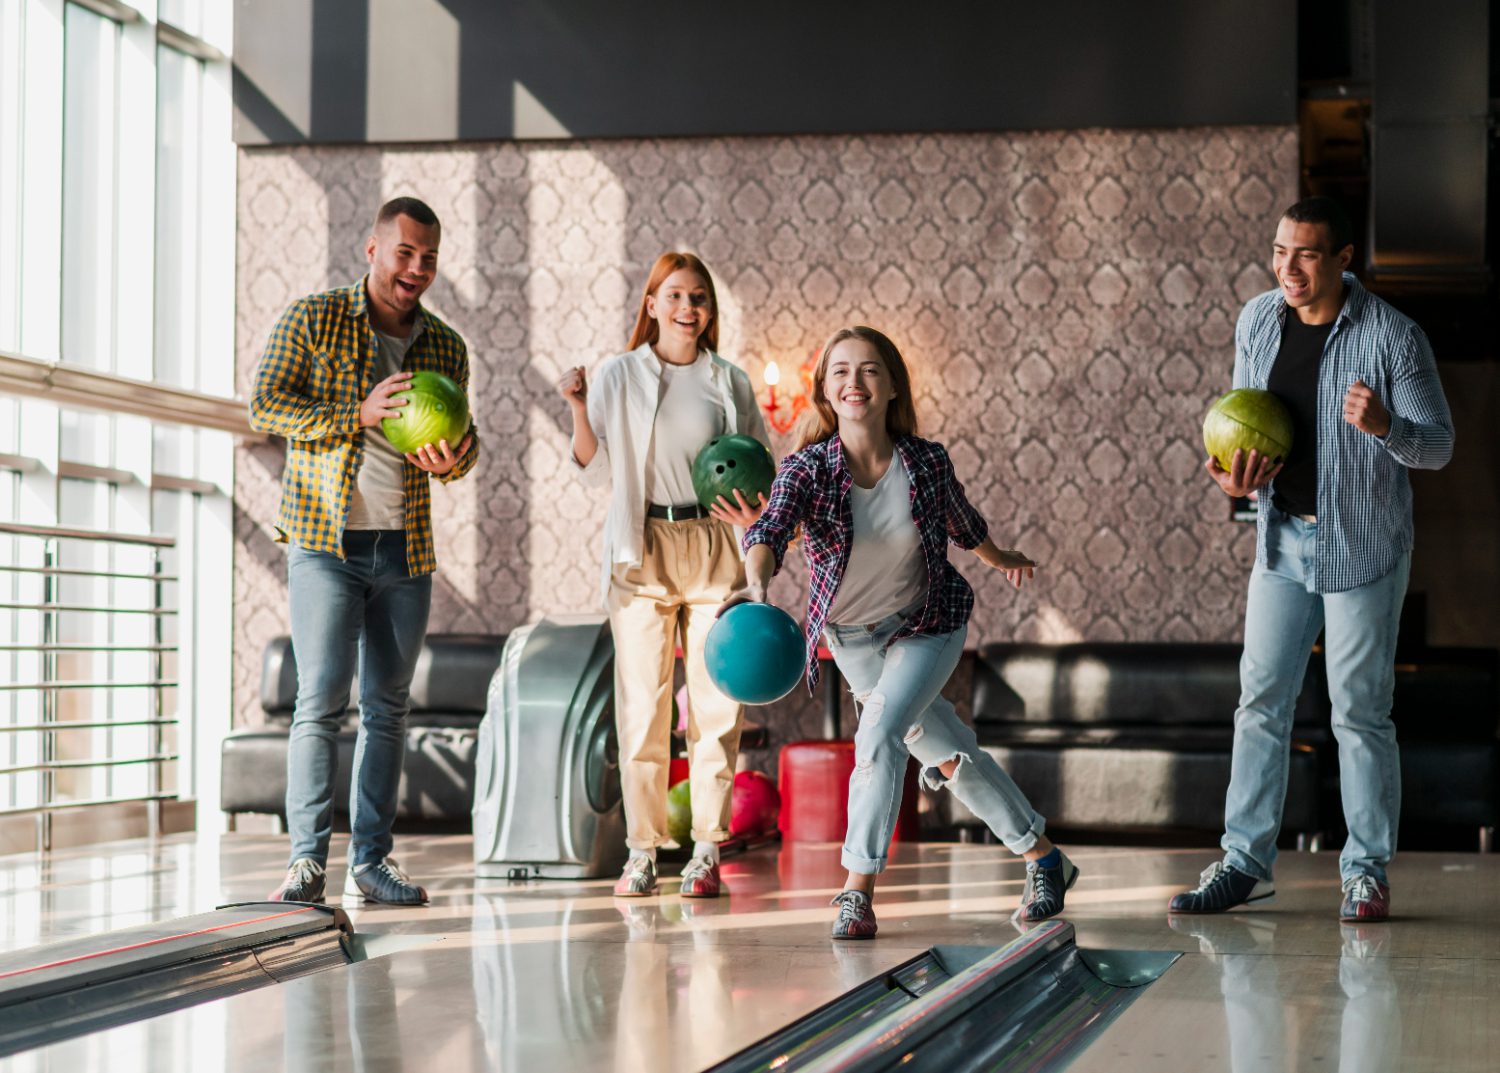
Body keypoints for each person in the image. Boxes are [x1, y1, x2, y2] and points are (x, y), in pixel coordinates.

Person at [727, 325, 1077, 939]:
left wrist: (1000, 558)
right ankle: (1044, 858)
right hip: (853, 642)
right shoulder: (807, 469)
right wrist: (757, 585)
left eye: (868, 370)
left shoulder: (924, 460)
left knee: (880, 731)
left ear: (891, 387)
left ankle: (855, 891)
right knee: (950, 754)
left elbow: (963, 523)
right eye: (840, 372)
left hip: (927, 624)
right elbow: (769, 532)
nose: (854, 382)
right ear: (825, 392)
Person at [1170, 196, 1453, 921]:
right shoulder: (1258, 320)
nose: (1286, 269)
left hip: (1363, 545)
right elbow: (1251, 423)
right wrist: (1238, 482)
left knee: (1359, 711)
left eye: (1305, 254)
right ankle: (1244, 862)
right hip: (1280, 540)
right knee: (1260, 702)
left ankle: (1365, 871)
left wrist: (1387, 425)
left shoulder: (1394, 336)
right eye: (1278, 252)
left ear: (1342, 258)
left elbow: (1440, 444)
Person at [250, 196, 479, 906]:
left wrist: (453, 461)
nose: (417, 269)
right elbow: (265, 405)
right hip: (324, 543)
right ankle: (305, 861)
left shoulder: (446, 346)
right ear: (372, 249)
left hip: (404, 549)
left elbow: (464, 449)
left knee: (388, 707)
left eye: (429, 258)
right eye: (405, 252)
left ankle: (372, 862)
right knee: (319, 701)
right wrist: (358, 412)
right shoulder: (313, 318)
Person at [559, 252, 771, 899]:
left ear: (710, 311)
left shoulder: (727, 381)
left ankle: (707, 846)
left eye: (699, 297)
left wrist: (756, 518)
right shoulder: (619, 374)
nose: (688, 307)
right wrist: (575, 403)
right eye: (675, 295)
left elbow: (757, 466)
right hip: (641, 545)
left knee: (715, 705)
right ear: (651, 304)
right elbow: (594, 467)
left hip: (710, 542)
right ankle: (643, 850)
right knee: (642, 707)